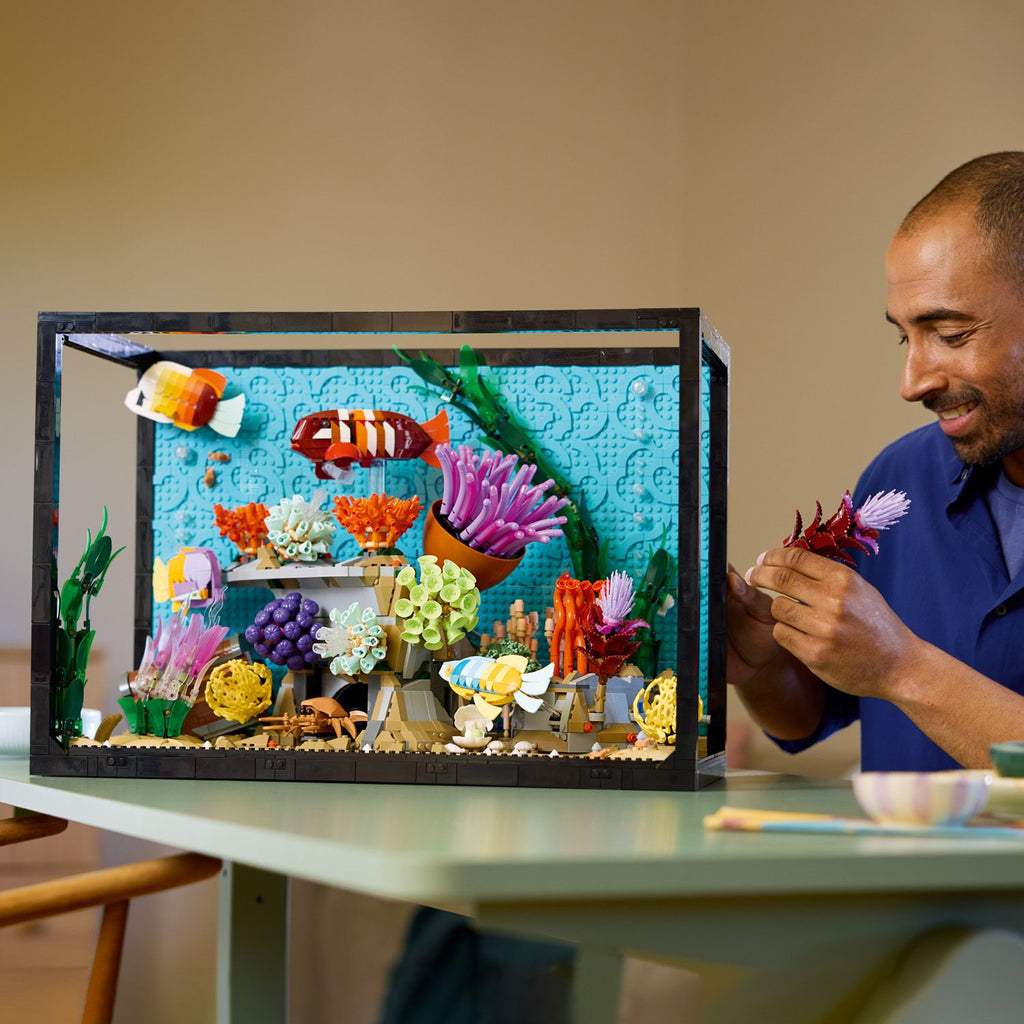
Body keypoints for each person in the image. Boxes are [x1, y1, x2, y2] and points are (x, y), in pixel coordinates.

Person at [728, 152, 1024, 772]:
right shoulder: (900, 481)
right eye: (903, 336)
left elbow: (892, 673)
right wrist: (762, 664)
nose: (911, 383)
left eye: (950, 334)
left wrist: (903, 667)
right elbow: (815, 711)